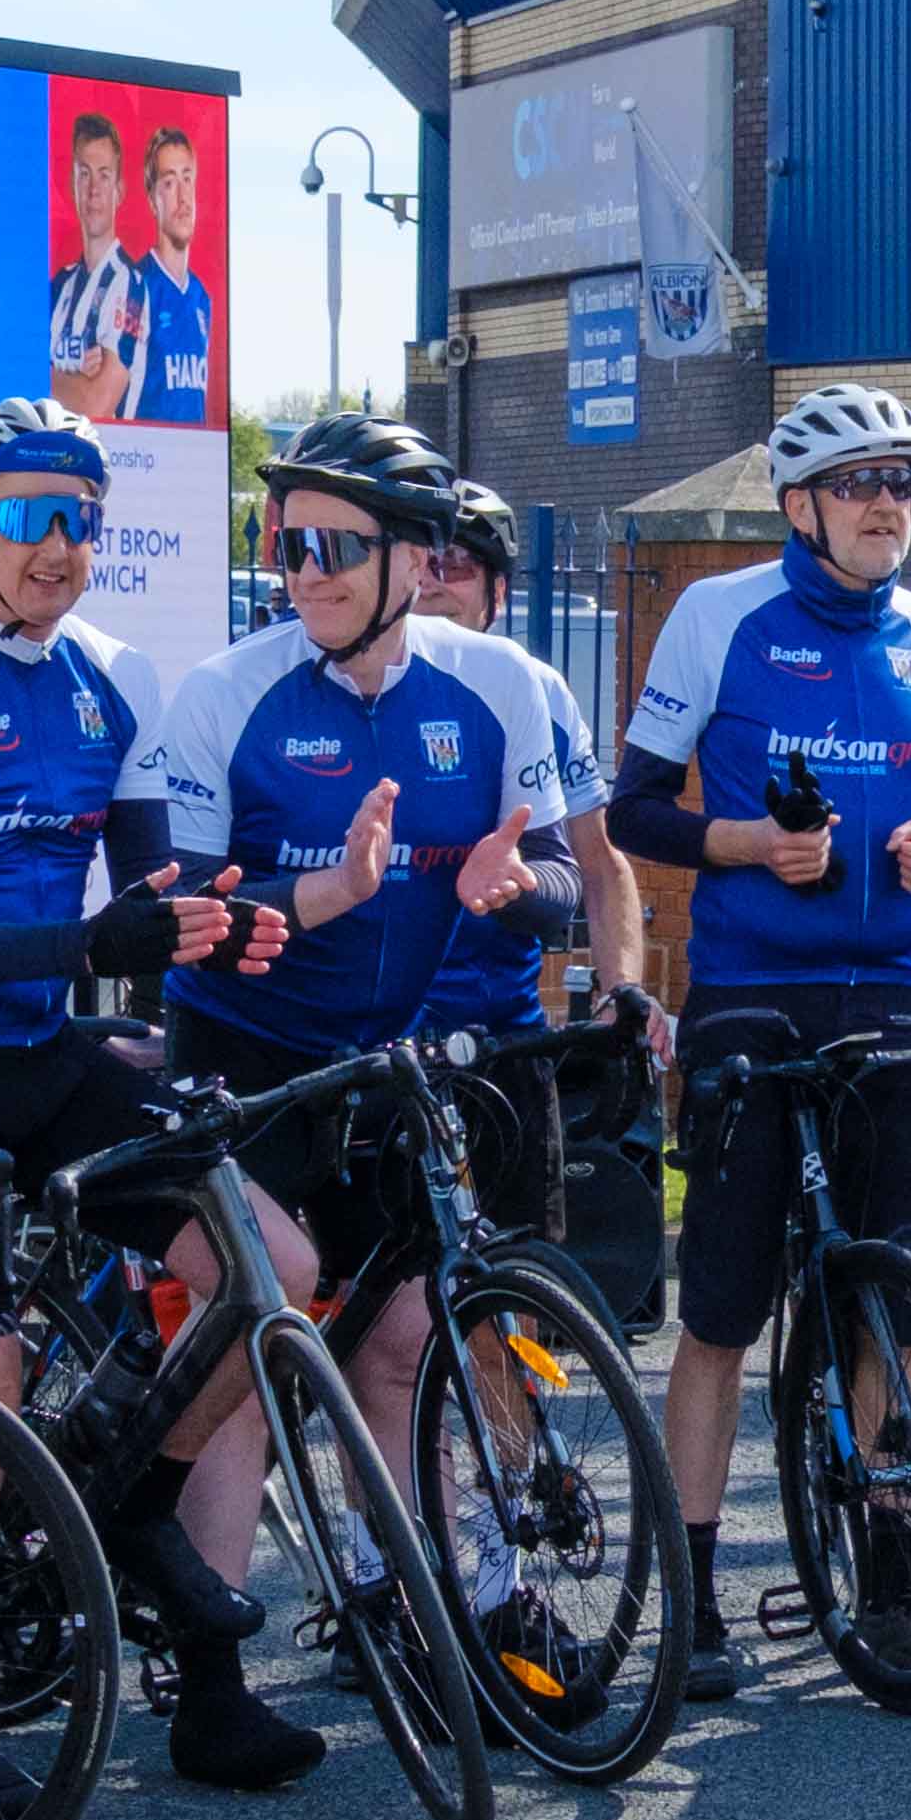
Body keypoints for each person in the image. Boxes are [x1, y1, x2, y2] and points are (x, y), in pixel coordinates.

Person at [0, 402, 306, 1791]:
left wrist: (233, 916)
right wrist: (90, 948)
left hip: (34, 1047)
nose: (58, 546)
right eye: (29, 517)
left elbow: (160, 897)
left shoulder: (112, 678)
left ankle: (137, 1510)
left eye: (80, 520)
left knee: (268, 1263)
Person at [141, 408, 584, 1732]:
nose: (305, 572)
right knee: (249, 1344)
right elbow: (181, 907)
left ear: (418, 556)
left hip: (377, 1066)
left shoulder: (500, 685)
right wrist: (323, 891)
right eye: (285, 545)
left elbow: (564, 880)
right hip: (245, 1056)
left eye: (335, 544)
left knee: (400, 1340)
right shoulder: (230, 695)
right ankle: (214, 1675)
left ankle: (422, 1601)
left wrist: (517, 890)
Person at [613, 386, 911, 1690]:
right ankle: (694, 1600)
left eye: (904, 483)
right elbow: (634, 813)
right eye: (863, 482)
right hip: (752, 997)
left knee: (892, 1299)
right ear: (800, 504)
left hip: (888, 994)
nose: (888, 505)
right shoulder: (719, 618)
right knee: (719, 1309)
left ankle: (891, 1583)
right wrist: (751, 844)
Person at [408, 455, 654, 1240]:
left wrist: (622, 993)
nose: (434, 580)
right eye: (422, 559)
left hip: (502, 1033)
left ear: (498, 593)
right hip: (384, 1035)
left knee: (516, 1291)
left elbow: (601, 860)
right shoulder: (358, 676)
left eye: (457, 564)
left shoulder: (537, 690)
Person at [46, 114, 143, 419]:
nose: (93, 190)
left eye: (104, 175)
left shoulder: (130, 284)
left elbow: (95, 404)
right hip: (51, 457)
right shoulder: (60, 285)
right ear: (73, 185)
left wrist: (43, 372)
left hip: (112, 461)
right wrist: (73, 375)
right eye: (84, 174)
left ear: (119, 190)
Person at [132, 130, 217, 425]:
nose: (182, 197)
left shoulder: (201, 297)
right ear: (153, 200)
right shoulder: (135, 286)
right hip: (140, 460)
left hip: (192, 461)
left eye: (187, 179)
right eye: (169, 183)